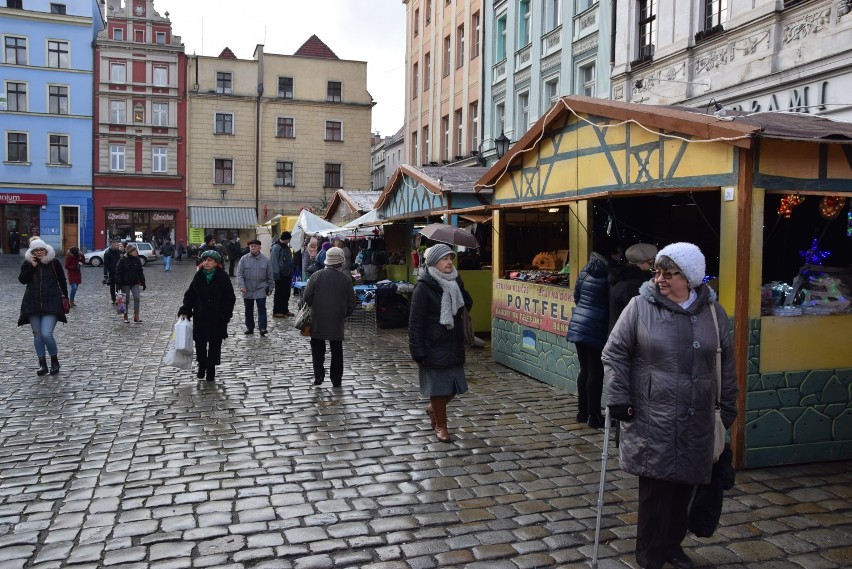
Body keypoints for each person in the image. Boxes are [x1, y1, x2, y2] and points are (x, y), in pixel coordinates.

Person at [602, 242, 738, 569]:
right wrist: (618, 397)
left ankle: (673, 546)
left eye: (670, 273)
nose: (660, 279)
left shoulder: (714, 314)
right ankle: (649, 556)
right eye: (658, 271)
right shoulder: (639, 306)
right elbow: (614, 354)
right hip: (654, 417)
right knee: (656, 494)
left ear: (690, 277)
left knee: (685, 490)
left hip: (698, 417)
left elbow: (727, 365)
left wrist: (728, 409)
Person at [408, 244, 473, 443]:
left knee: (455, 386)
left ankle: (432, 410)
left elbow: (466, 305)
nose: (449, 262)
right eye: (445, 259)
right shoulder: (424, 286)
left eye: (450, 258)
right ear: (434, 262)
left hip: (453, 342)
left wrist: (459, 287)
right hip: (432, 345)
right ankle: (441, 425)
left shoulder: (454, 280)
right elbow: (415, 322)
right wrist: (417, 349)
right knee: (438, 388)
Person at [566, 235, 621, 428]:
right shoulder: (610, 274)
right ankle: (594, 417)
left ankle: (582, 412)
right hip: (596, 327)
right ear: (611, 253)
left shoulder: (585, 269)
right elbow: (612, 303)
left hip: (579, 324)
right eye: (617, 251)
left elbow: (576, 296)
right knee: (595, 373)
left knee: (585, 370)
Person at [177, 250, 236, 382]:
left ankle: (211, 369)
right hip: (201, 316)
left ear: (216, 263)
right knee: (200, 344)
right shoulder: (199, 276)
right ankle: (202, 365)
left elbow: (230, 298)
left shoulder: (223, 277)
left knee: (215, 345)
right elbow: (190, 295)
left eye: (209, 260)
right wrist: (185, 309)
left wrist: (225, 315)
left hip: (217, 318)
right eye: (204, 260)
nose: (206, 262)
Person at [303, 246, 356, 387]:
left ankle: (319, 375)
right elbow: (352, 302)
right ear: (341, 262)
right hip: (337, 317)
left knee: (317, 347)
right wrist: (343, 313)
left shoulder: (316, 276)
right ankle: (336, 379)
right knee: (336, 349)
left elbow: (307, 297)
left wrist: (314, 307)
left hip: (317, 317)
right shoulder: (345, 279)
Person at [18, 239, 69, 376]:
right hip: (32, 303)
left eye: (41, 250)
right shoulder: (28, 263)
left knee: (46, 333)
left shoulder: (53, 263)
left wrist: (66, 299)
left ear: (46, 250)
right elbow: (22, 280)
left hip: (51, 302)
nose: (39, 252)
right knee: (37, 335)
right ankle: (42, 364)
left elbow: (62, 281)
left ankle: (54, 360)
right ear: (32, 252)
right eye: (36, 250)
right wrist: (32, 266)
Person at [608, 243, 657, 331]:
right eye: (650, 263)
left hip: (618, 334)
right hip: (626, 338)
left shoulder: (620, 277)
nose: (651, 267)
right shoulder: (634, 285)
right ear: (642, 262)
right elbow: (637, 317)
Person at [237, 238, 274, 336]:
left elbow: (270, 275)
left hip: (261, 288)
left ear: (259, 247)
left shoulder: (266, 260)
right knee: (248, 310)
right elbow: (239, 274)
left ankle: (262, 328)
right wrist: (242, 286)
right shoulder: (244, 259)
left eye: (255, 246)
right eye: (251, 246)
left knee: (262, 309)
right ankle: (250, 327)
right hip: (247, 289)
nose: (253, 248)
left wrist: (270, 288)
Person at [115, 243, 146, 324]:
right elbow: (118, 273)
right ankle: (125, 316)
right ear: (129, 252)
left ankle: (136, 315)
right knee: (126, 300)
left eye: (136, 251)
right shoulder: (122, 260)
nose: (136, 252)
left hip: (135, 282)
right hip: (125, 283)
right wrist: (118, 285)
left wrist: (143, 282)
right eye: (134, 251)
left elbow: (140, 272)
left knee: (137, 298)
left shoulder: (137, 260)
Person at [270, 232, 295, 317]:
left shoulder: (286, 247)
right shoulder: (276, 247)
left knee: (286, 293)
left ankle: (285, 310)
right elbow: (274, 261)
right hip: (280, 274)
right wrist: (276, 274)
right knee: (279, 293)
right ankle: (277, 311)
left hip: (287, 274)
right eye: (289, 239)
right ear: (286, 239)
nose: (289, 241)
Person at [103, 239, 122, 304]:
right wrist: (105, 274)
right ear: (112, 245)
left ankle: (118, 299)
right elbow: (105, 264)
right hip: (111, 272)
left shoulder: (120, 253)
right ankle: (113, 298)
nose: (117, 246)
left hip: (119, 272)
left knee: (119, 286)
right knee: (112, 286)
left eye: (118, 245)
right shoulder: (107, 254)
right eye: (116, 245)